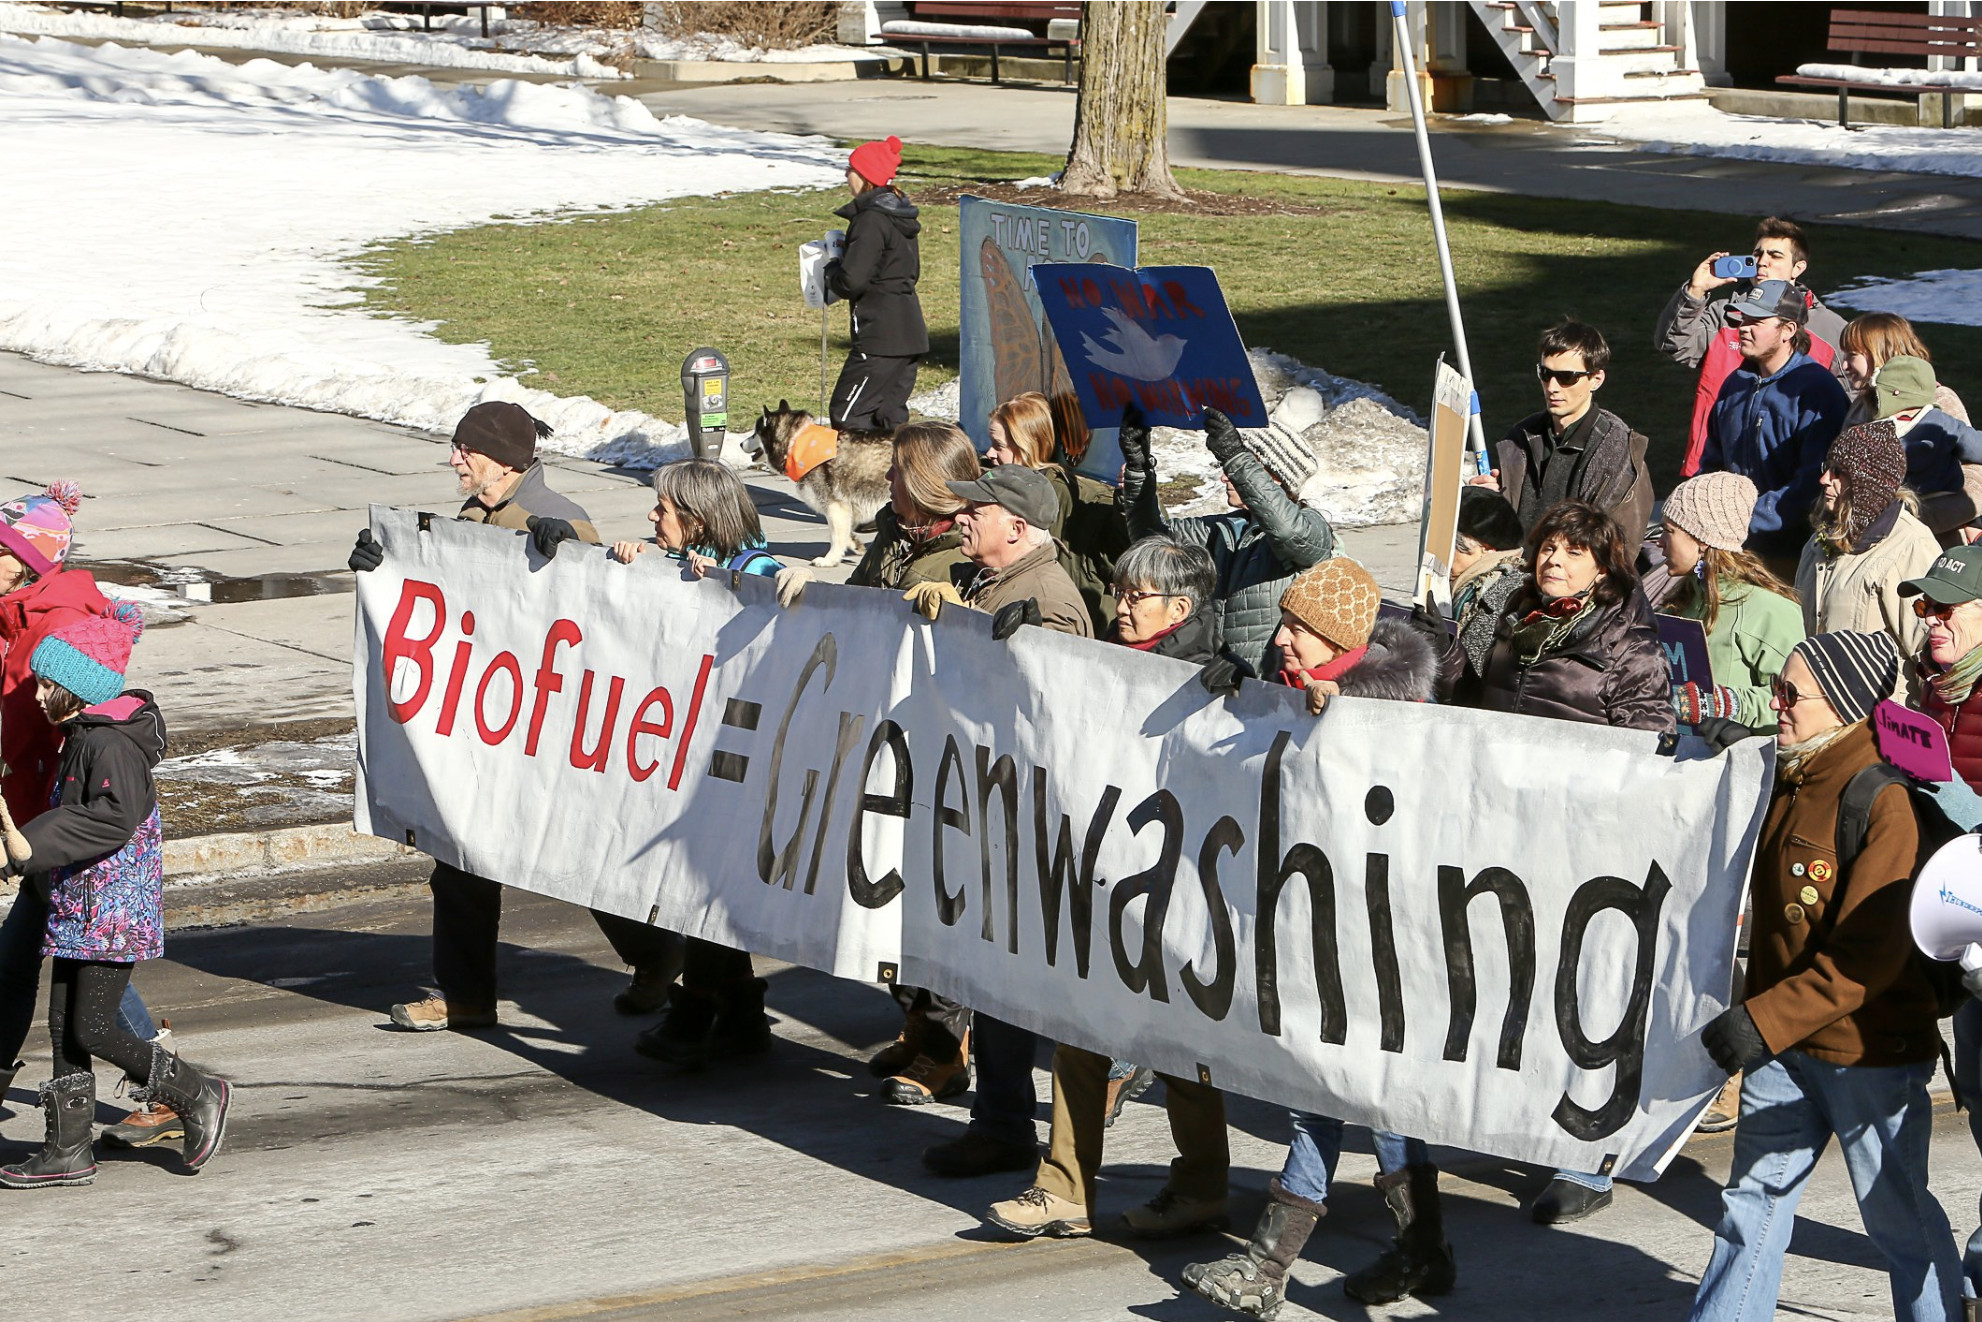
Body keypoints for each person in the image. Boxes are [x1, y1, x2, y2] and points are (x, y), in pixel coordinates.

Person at [347, 402, 679, 1032]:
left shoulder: (558, 518)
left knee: (581, 854)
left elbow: (606, 617)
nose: (453, 460)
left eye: (463, 450)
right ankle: (467, 997)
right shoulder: (476, 515)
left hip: (549, 725)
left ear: (500, 459)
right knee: (460, 857)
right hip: (487, 722)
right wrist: (384, 568)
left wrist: (572, 561)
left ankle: (661, 960)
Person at [1185, 558, 1447, 1316]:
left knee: (1319, 1093)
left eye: (1298, 629)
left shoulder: (1397, 715)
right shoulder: (1289, 698)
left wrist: (1345, 720)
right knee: (1373, 1099)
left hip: (1374, 934)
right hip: (1305, 922)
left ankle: (1267, 1270)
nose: (1282, 640)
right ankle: (1425, 1249)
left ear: (1337, 641)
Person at [1688, 630, 1962, 1322]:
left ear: (1840, 704)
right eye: (1777, 690)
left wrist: (1760, 1021)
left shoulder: (1881, 800)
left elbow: (1867, 959)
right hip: (1788, 1050)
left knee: (1898, 1221)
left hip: (1868, 1056)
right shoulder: (1795, 769)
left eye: (1790, 694)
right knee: (1750, 1207)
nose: (1775, 705)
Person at [985, 537, 1234, 1241]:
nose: (1119, 607)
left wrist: (1237, 696)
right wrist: (1021, 647)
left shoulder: (1211, 675)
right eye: (1118, 592)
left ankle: (1202, 1186)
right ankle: (1062, 1186)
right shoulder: (1111, 662)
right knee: (1080, 1029)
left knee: (1181, 1050)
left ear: (1179, 607)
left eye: (1135, 597)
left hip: (1175, 889)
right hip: (1104, 876)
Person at [1451, 499, 1671, 1223]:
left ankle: (1586, 1161)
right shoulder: (1511, 619)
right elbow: (1459, 703)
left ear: (1604, 564)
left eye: (1575, 551)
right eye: (1548, 546)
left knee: (1580, 1000)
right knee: (1516, 987)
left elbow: (1651, 746)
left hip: (1584, 851)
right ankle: (1527, 1122)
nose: (1555, 560)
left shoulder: (1623, 642)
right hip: (1506, 840)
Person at [780, 422, 979, 1104]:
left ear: (930, 485)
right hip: (886, 744)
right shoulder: (900, 534)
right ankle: (917, 1024)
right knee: (889, 894)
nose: (886, 485)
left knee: (936, 901)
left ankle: (946, 1051)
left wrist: (958, 610)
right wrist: (817, 587)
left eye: (899, 476)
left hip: (940, 753)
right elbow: (865, 605)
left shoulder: (964, 551)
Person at [0, 607, 233, 1186]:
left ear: (79, 690)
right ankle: (67, 1149)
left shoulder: (110, 746)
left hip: (111, 909)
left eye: (47, 685)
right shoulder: (83, 736)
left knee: (94, 1027)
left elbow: (111, 819)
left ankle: (197, 1092)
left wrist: (27, 846)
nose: (37, 696)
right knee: (63, 1025)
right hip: (80, 901)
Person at [915, 463, 1090, 1182]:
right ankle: (1002, 1120)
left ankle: (1013, 1128)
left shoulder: (1045, 598)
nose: (962, 519)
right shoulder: (993, 582)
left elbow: (1061, 708)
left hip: (1028, 817)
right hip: (989, 803)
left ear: (1016, 528)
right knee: (991, 979)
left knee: (1012, 984)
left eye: (977, 512)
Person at [0, 483, 177, 1145]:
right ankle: (124, 1103)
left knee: (68, 979)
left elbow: (65, 718)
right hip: (38, 818)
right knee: (35, 964)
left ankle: (167, 1084)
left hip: (60, 824)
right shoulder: (18, 612)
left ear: (25, 559)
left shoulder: (55, 619)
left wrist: (35, 829)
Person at [615, 458, 783, 1069]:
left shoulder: (760, 570)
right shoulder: (677, 564)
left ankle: (697, 1010)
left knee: (711, 887)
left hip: (739, 754)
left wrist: (725, 590)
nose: (652, 517)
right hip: (687, 752)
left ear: (699, 519)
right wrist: (634, 570)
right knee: (708, 885)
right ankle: (741, 1017)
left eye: (662, 510)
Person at [1897, 545, 1982, 1302]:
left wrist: (1943, 789)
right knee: (1980, 1093)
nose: (1932, 622)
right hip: (1954, 927)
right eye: (1925, 606)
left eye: (1947, 607)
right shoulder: (1929, 690)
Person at [1118, 404, 1335, 676]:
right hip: (1216, 683)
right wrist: (1140, 469)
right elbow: (1153, 544)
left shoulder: (1312, 528)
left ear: (1276, 478)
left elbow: (1289, 533)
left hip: (1269, 690)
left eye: (1245, 464)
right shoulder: (1225, 530)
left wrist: (1235, 456)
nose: (1224, 476)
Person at [1657, 216, 1847, 477]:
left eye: (1775, 255)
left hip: (1789, 476)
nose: (1762, 261)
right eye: (1757, 253)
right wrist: (1695, 291)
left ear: (1798, 268)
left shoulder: (1829, 328)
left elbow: (1852, 403)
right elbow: (1673, 343)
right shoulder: (1724, 315)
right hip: (1715, 466)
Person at [1697, 280, 1853, 570]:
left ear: (1789, 330)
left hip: (1792, 555)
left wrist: (1746, 518)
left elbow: (1812, 484)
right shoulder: (1735, 383)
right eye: (1743, 319)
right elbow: (1713, 462)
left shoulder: (1817, 391)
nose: (1743, 327)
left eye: (1757, 321)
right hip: (1731, 545)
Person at [1795, 421, 1938, 703]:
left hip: (1880, 726)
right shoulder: (1817, 544)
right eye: (1827, 467)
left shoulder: (1909, 546)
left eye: (1838, 472)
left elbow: (1930, 651)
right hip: (1819, 713)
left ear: (1867, 482)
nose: (1824, 479)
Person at [1473, 319, 1653, 541]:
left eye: (1567, 377)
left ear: (1596, 379)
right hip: (1514, 571)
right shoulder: (1519, 439)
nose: (1552, 387)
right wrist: (1481, 503)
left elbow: (1618, 553)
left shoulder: (1620, 455)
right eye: (1545, 374)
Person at [1661, 472, 1805, 736]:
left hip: (1734, 763)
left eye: (1669, 532)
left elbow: (1796, 702)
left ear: (1702, 540)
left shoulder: (1769, 611)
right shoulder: (1680, 602)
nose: (1659, 542)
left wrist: (1725, 704)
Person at [985, 391, 1129, 635]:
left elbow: (1126, 548)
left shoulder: (1072, 498)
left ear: (1026, 446)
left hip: (1062, 629)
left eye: (999, 446)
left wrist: (1132, 498)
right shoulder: (992, 486)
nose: (989, 453)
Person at [825, 135, 926, 433]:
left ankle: (861, 479)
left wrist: (832, 265)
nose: (846, 175)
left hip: (880, 336)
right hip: (909, 333)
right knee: (889, 419)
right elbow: (906, 271)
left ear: (865, 175)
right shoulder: (898, 215)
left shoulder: (870, 220)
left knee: (847, 415)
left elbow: (851, 281)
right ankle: (901, 478)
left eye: (850, 168)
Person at [1859, 355, 1982, 539]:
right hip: (1947, 498)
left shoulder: (1874, 433)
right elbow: (1975, 446)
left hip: (1900, 508)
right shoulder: (1941, 422)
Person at [1437, 487, 1527, 703]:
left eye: (1450, 548)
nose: (1442, 557)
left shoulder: (1500, 592)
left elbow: (1473, 671)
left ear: (1485, 548)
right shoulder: (1474, 585)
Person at [1840, 312, 1969, 429]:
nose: (1845, 366)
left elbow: (1970, 450)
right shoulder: (1861, 405)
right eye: (1844, 356)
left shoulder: (1939, 399)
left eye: (1852, 355)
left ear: (1883, 353)